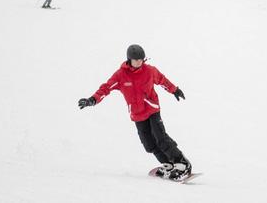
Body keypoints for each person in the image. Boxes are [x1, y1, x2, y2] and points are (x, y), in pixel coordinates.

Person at [78, 44, 192, 181]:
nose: (139, 62)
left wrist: (174, 90)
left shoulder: (150, 71)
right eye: (136, 59)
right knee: (148, 144)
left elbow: (163, 80)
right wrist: (92, 100)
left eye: (141, 59)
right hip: (137, 115)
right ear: (129, 60)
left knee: (160, 137)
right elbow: (106, 88)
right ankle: (168, 164)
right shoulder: (120, 75)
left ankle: (181, 163)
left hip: (152, 109)